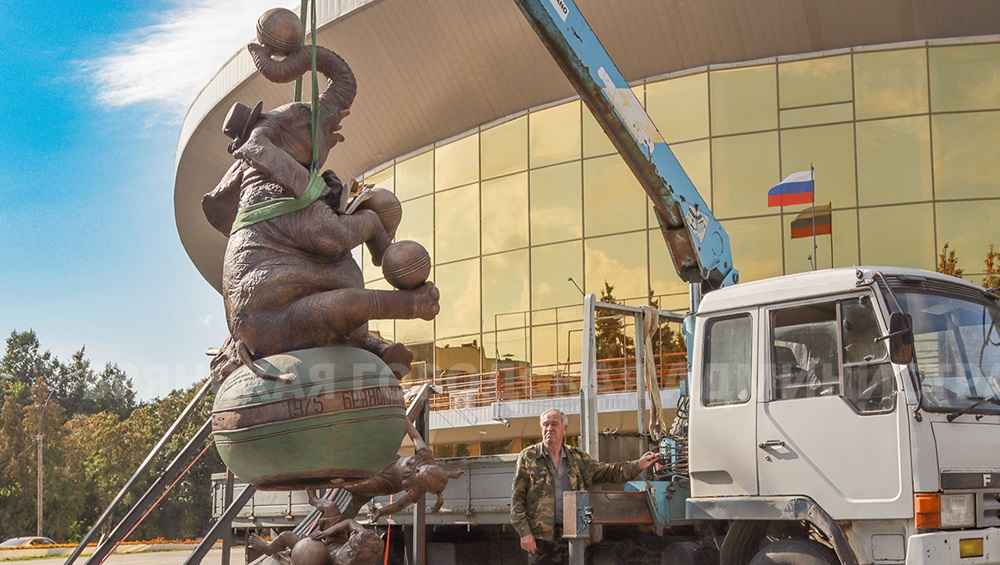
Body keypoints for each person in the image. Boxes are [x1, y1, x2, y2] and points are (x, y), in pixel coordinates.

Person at [510, 408, 660, 564]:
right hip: (541, 538)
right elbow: (517, 500)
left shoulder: (577, 458)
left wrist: (638, 465)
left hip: (573, 535)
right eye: (545, 424)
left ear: (564, 428)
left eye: (554, 424)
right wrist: (524, 533)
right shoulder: (528, 457)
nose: (549, 428)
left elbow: (608, 472)